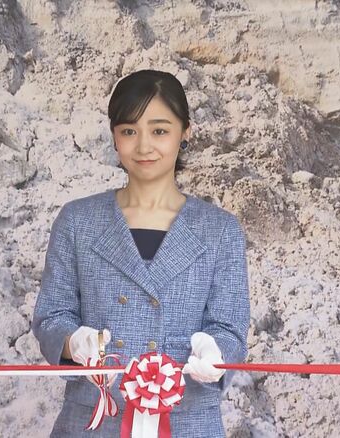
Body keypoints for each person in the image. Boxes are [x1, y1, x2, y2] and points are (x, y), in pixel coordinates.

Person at [32, 69, 250, 437]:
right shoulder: (77, 220)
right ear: (114, 137)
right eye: (129, 131)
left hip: (189, 423)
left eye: (160, 130)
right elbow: (52, 315)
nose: (144, 146)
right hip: (94, 422)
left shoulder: (220, 230)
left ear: (185, 132)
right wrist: (73, 341)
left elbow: (229, 328)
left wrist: (217, 353)